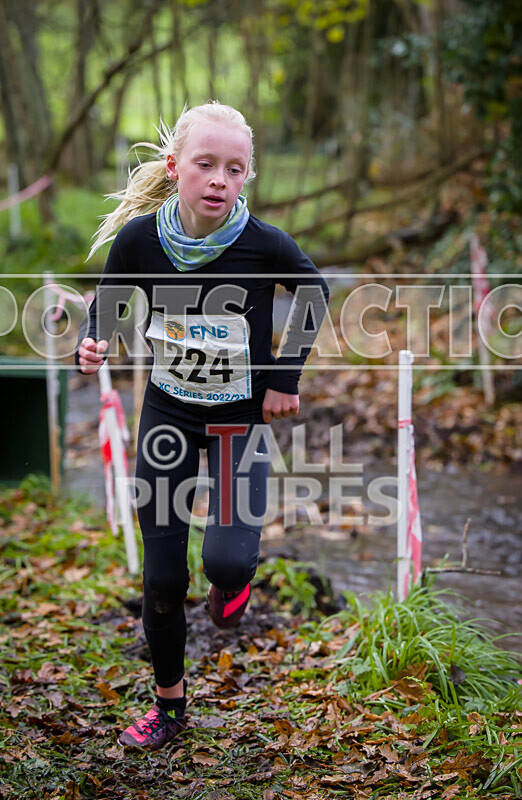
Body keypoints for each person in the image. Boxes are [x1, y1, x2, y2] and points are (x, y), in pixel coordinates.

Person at [76, 100, 329, 752]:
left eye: (235, 169)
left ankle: (231, 587)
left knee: (227, 558)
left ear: (248, 177)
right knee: (162, 580)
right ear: (175, 167)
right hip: (168, 414)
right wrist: (94, 339)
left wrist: (282, 379)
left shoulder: (263, 244)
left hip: (238, 421)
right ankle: (169, 708)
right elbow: (107, 299)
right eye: (206, 164)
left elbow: (313, 292)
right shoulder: (140, 240)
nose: (220, 179)